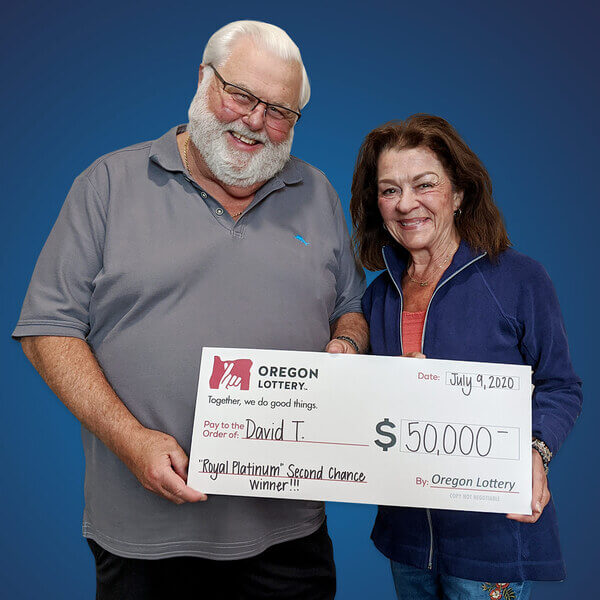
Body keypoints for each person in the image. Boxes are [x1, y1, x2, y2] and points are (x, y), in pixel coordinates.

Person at [13, 20, 367, 599]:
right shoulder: (107, 185)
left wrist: (348, 344)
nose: (255, 121)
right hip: (145, 539)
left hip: (291, 535)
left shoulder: (317, 193)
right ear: (204, 79)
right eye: (242, 95)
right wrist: (131, 441)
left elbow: (350, 307)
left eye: (280, 111)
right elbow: (47, 330)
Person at [350, 115, 582, 599]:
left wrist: (536, 451)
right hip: (407, 541)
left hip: (491, 539)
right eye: (390, 190)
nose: (406, 203)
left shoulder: (519, 279)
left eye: (424, 184)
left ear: (458, 193)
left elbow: (560, 385)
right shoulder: (378, 296)